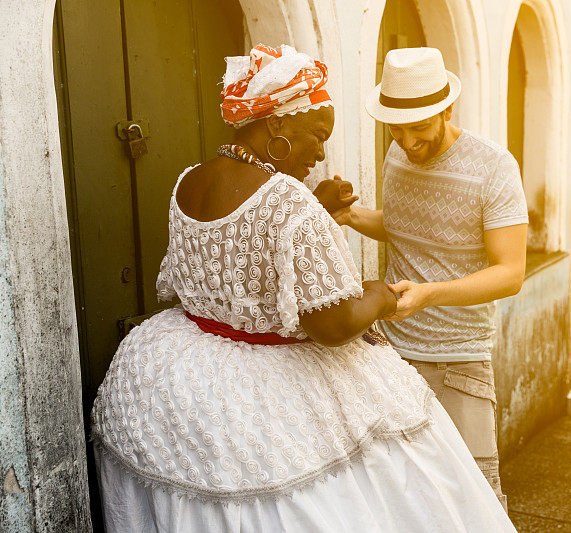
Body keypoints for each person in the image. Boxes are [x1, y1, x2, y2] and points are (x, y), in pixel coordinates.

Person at [91, 44, 516, 532]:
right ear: (276, 125)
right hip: (278, 380)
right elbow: (331, 324)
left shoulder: (191, 180)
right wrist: (376, 294)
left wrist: (321, 207)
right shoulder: (291, 198)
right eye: (317, 136)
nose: (320, 152)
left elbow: (246, 245)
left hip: (186, 373)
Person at [332, 47, 528, 506]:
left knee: (469, 500)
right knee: (400, 500)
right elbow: (403, 225)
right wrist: (350, 215)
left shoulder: (494, 168)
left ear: (447, 109)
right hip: (387, 357)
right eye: (396, 129)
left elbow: (511, 272)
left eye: (419, 127)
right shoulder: (396, 155)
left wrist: (430, 295)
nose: (407, 141)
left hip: (457, 360)